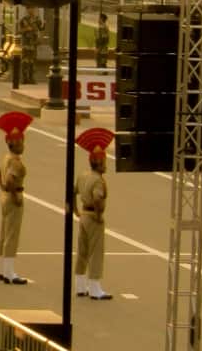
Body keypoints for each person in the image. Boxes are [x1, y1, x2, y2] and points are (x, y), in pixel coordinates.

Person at [75, 127, 114, 300]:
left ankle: (79, 285)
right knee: (96, 252)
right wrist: (98, 215)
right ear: (98, 162)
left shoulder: (83, 175)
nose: (105, 164)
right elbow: (98, 199)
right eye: (104, 161)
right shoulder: (98, 180)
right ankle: (95, 289)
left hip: (84, 214)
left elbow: (72, 192)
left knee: (82, 251)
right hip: (93, 216)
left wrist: (76, 210)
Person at [0, 111, 32, 284]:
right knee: (11, 235)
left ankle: (3, 269)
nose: (23, 144)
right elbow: (10, 179)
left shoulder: (6, 157)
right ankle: (9, 273)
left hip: (5, 196)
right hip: (12, 197)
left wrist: (3, 187)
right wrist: (15, 194)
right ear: (15, 143)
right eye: (21, 141)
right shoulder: (15, 161)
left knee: (5, 233)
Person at [19, 8, 42, 84]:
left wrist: (44, 24)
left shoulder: (37, 20)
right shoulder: (24, 20)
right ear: (27, 10)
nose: (31, 10)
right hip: (26, 43)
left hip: (33, 43)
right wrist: (26, 29)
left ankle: (31, 78)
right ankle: (25, 78)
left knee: (32, 61)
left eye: (33, 8)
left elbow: (41, 29)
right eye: (29, 9)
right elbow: (20, 31)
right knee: (25, 61)